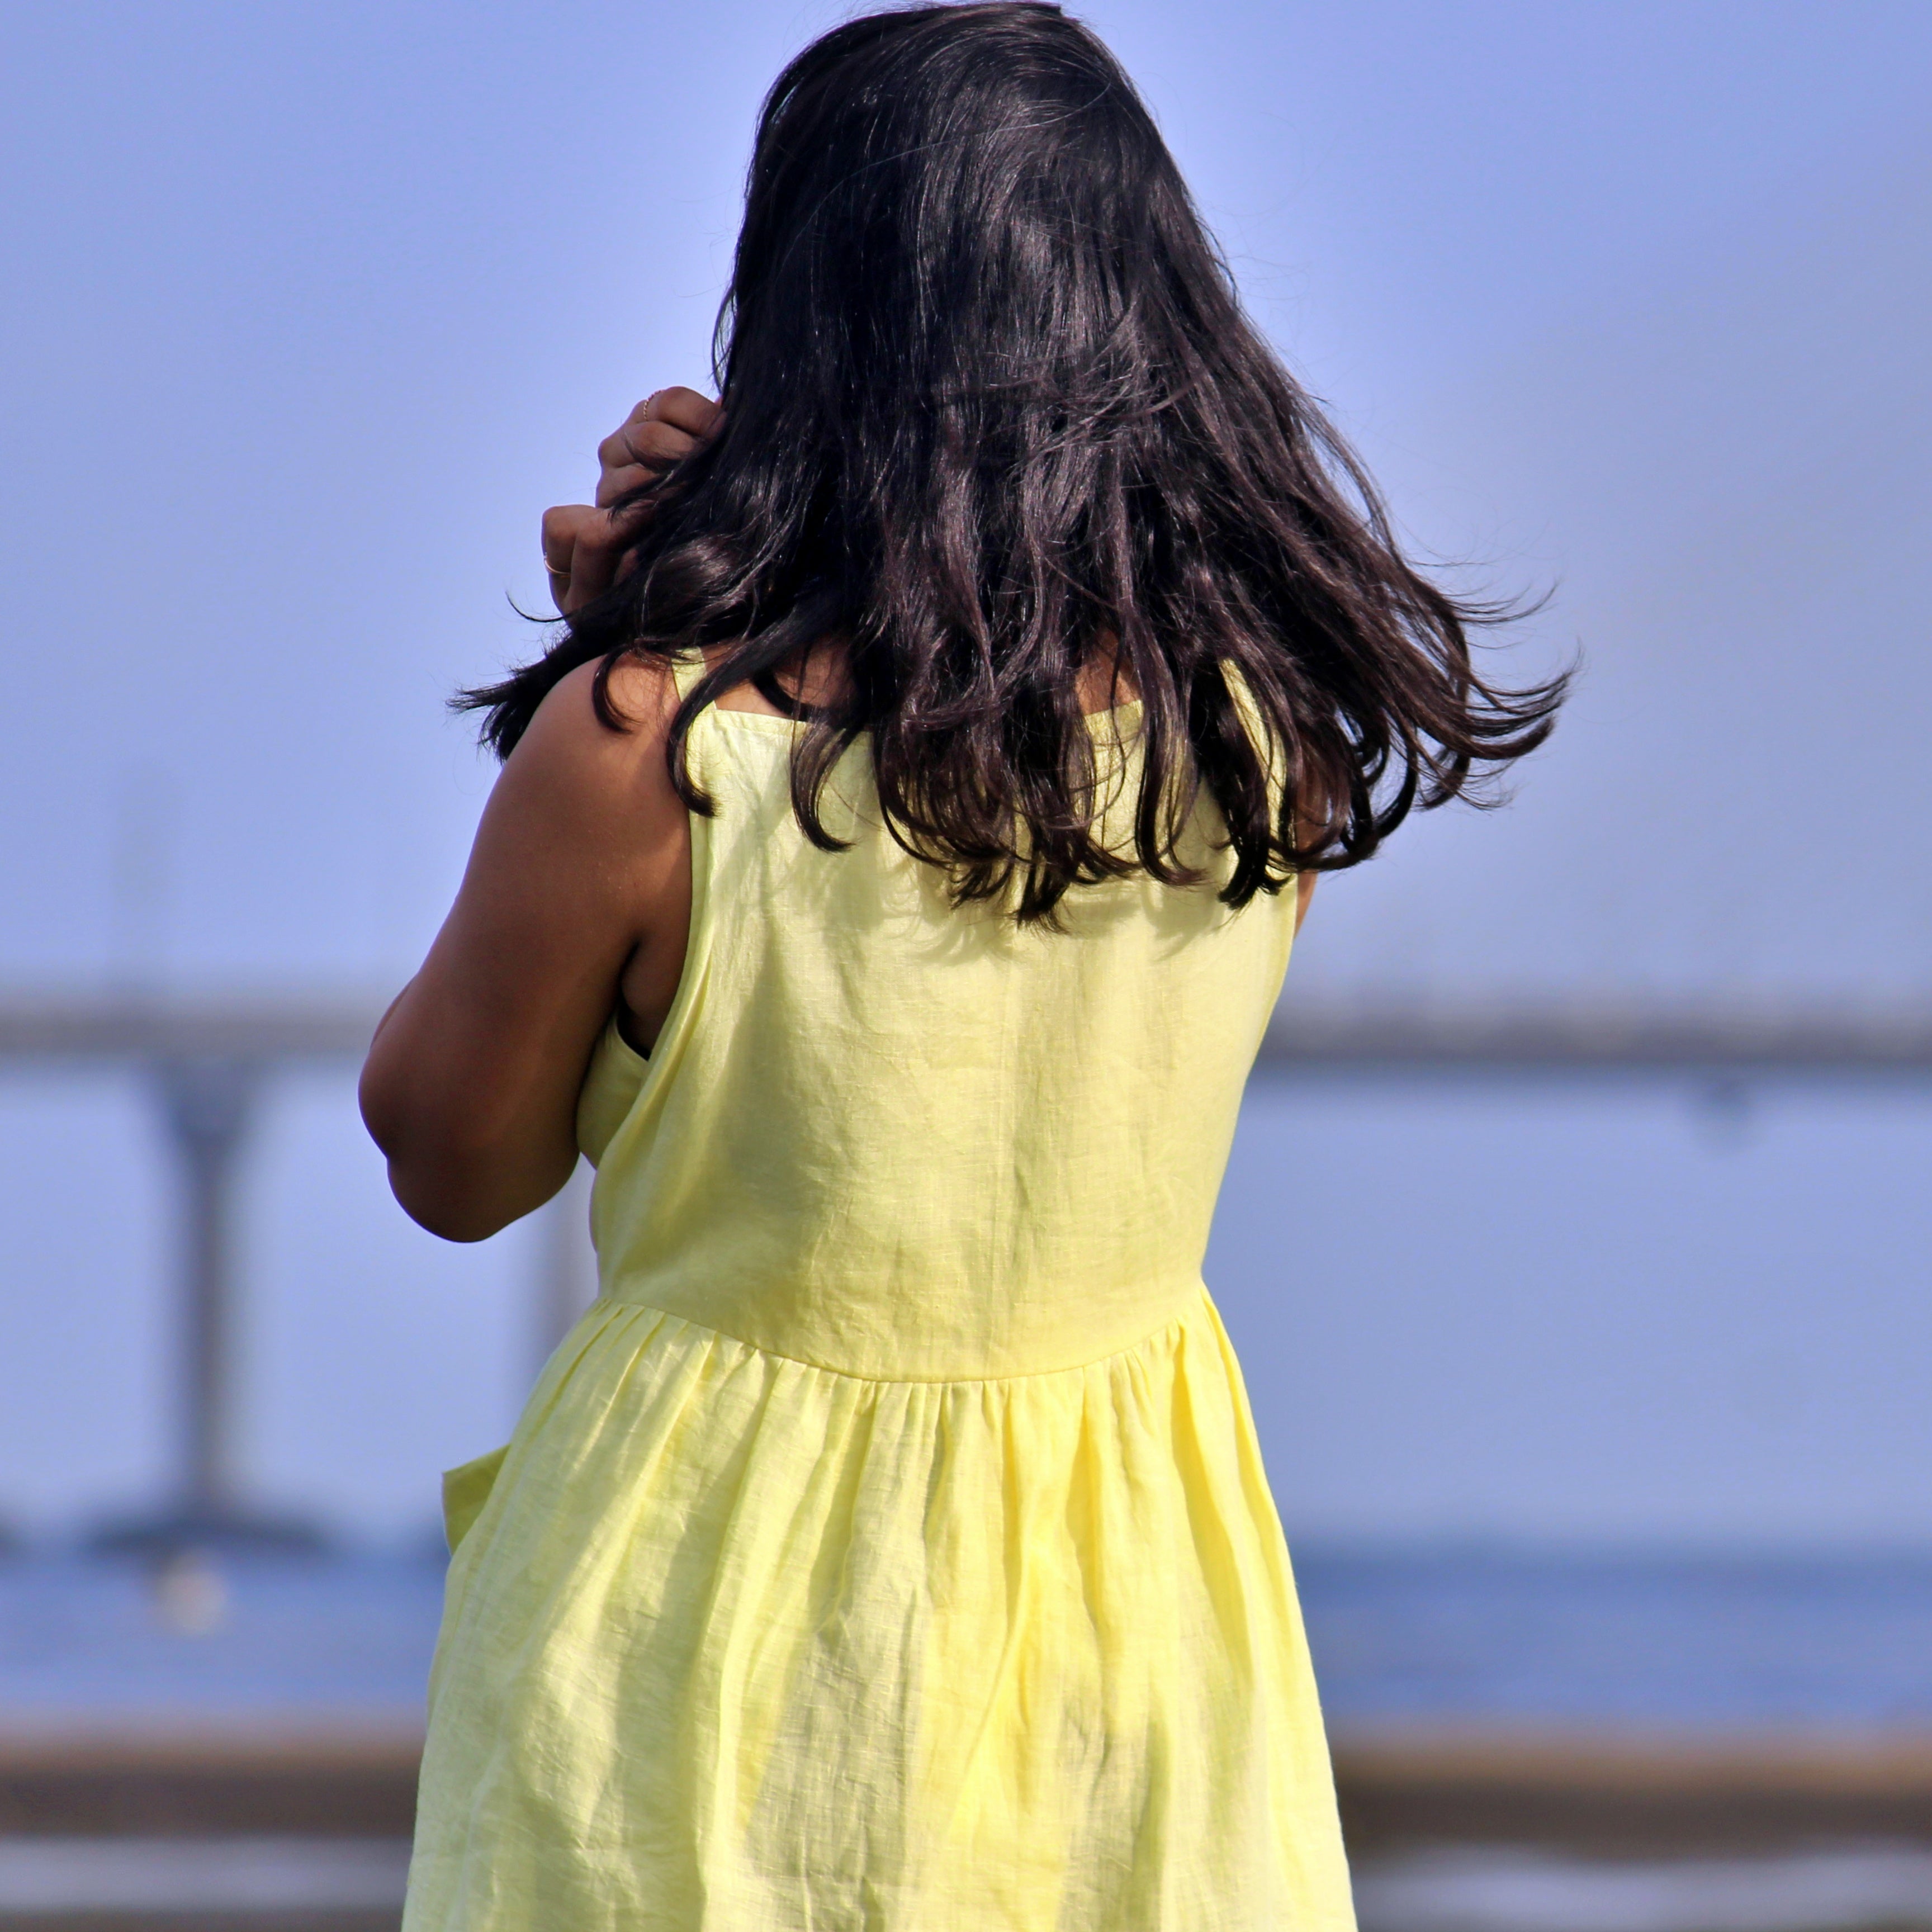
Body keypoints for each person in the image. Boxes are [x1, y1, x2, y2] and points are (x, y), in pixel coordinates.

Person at [360, 6, 1562, 1927]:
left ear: (810, 324)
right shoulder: (1262, 759)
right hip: (1132, 1666)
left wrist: (645, 656)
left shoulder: (649, 756)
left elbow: (452, 1157)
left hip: (693, 1683)